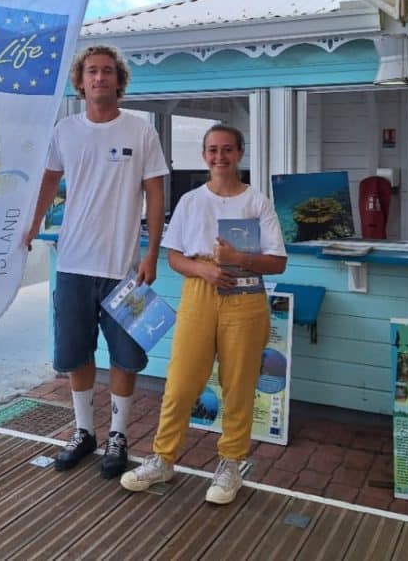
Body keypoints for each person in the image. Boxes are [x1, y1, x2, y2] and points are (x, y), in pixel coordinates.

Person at [120, 124, 287, 504]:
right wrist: (206, 270)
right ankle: (163, 458)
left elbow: (277, 262)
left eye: (227, 150)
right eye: (213, 150)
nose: (220, 157)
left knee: (239, 384)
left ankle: (231, 463)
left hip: (245, 297)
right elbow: (175, 255)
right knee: (180, 382)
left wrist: (239, 259)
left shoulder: (257, 201)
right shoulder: (191, 201)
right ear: (204, 155)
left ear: (240, 153)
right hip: (199, 291)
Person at [24, 45, 168, 479]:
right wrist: (30, 226)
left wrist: (152, 253)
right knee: (76, 354)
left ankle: (118, 436)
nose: (100, 78)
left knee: (125, 357)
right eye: (92, 72)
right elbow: (48, 181)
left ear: (119, 80)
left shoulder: (141, 132)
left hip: (125, 270)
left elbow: (157, 193)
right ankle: (84, 432)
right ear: (81, 81)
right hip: (72, 266)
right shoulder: (65, 131)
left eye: (107, 71)